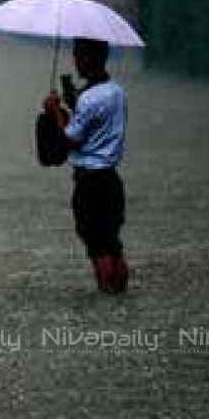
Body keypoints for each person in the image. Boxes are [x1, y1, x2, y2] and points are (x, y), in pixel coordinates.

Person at [42, 37, 129, 294]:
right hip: (112, 180)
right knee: (113, 243)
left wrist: (55, 112)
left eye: (79, 55)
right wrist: (73, 103)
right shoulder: (117, 92)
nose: (76, 61)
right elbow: (95, 123)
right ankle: (120, 294)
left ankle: (105, 294)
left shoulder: (89, 100)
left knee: (96, 244)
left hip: (89, 182)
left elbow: (70, 139)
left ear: (90, 58)